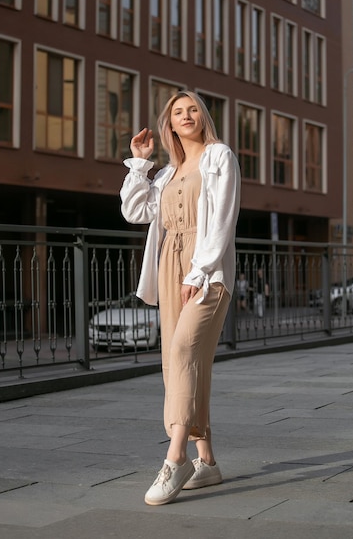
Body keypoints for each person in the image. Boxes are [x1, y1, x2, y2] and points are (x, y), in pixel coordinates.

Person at [120, 91, 241, 506]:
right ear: (168, 123)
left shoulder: (218, 157)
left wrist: (200, 269)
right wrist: (139, 162)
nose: (186, 116)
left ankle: (176, 457)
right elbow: (136, 212)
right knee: (182, 362)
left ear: (203, 116)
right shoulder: (167, 173)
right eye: (177, 112)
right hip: (169, 269)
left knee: (185, 349)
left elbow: (222, 219)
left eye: (192, 109)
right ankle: (207, 462)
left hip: (206, 270)